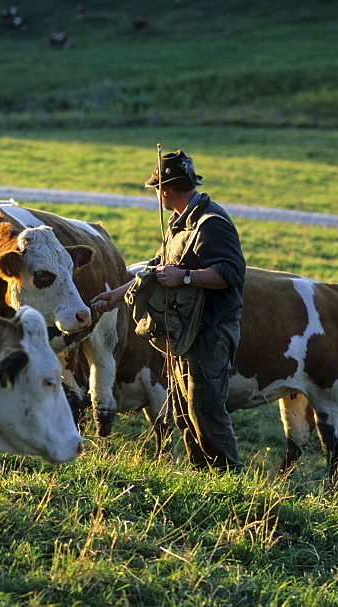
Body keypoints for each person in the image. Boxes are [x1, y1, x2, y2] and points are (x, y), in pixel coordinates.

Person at [92, 147, 246, 472]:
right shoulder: (179, 224)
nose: (157, 195)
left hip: (210, 331)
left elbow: (231, 274)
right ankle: (201, 473)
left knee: (205, 409)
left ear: (166, 189)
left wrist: (184, 277)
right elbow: (155, 268)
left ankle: (229, 478)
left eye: (157, 189)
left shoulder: (211, 223)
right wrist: (116, 297)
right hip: (183, 332)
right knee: (182, 409)